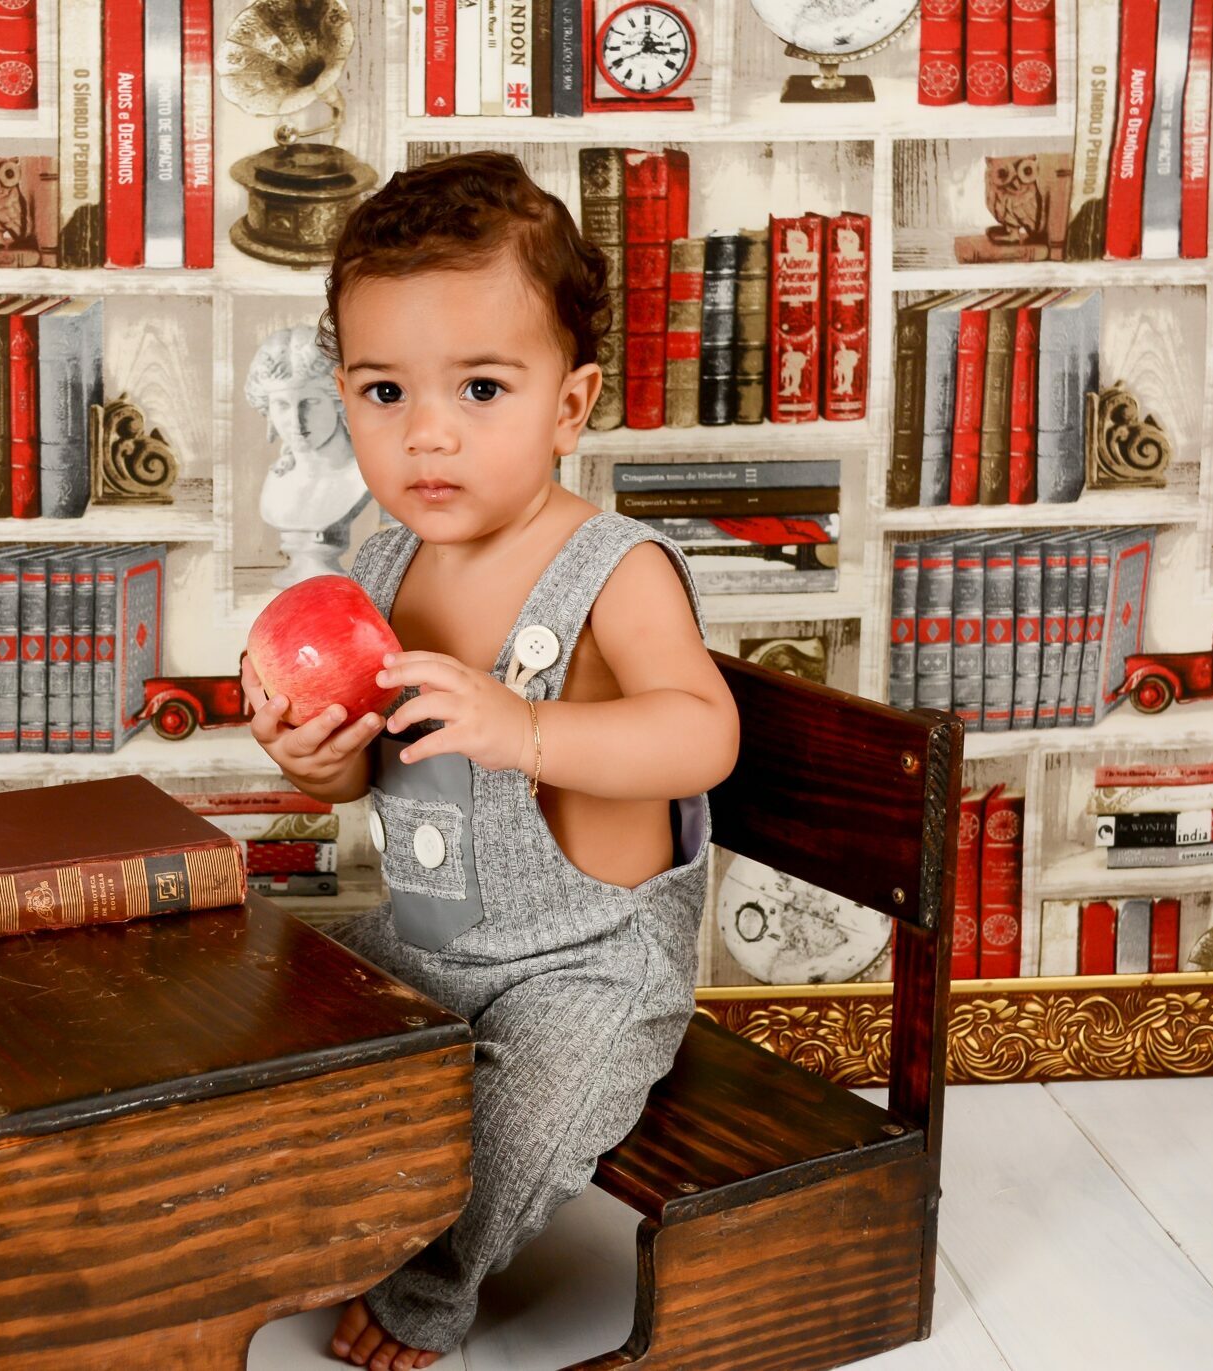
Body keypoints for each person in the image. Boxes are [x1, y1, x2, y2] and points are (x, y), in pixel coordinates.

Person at [239, 150, 741, 1371]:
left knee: (519, 1117)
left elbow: (703, 732)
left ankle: (429, 1290)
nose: (428, 434)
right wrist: (317, 761)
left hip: (589, 958)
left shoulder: (612, 567)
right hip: (429, 937)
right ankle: (283, 1221)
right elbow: (373, 774)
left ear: (568, 406)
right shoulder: (377, 571)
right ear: (345, 398)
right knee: (270, 1022)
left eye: (479, 387)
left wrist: (529, 732)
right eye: (384, 391)